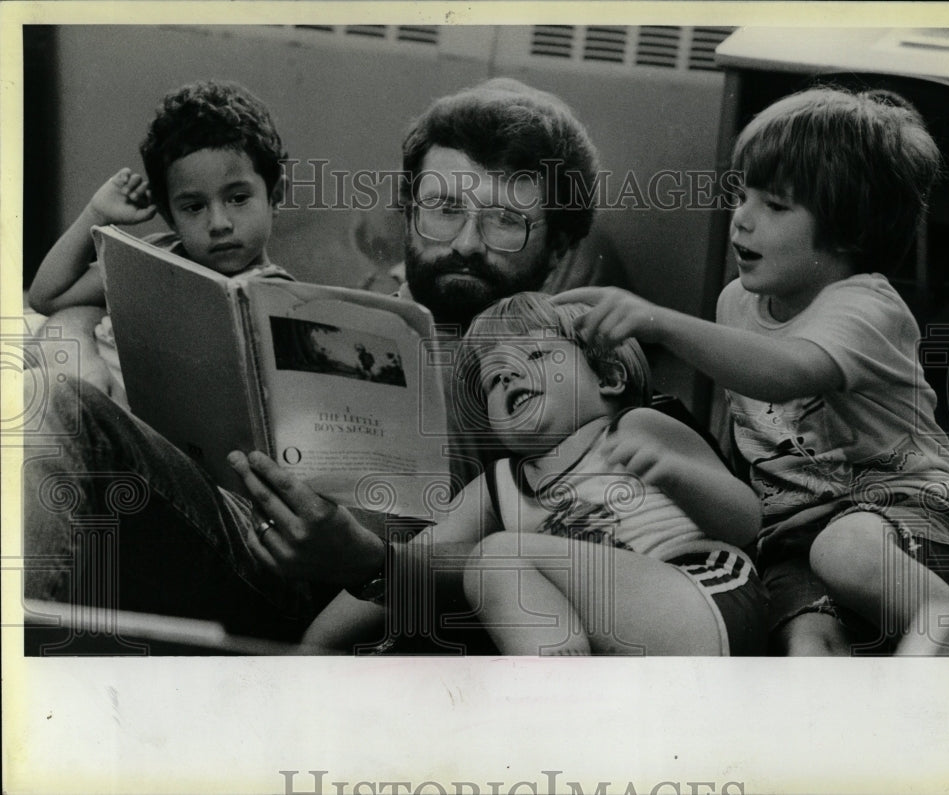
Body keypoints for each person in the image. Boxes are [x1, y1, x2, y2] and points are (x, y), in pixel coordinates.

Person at [23, 78, 607, 647]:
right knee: (45, 396)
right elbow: (65, 305)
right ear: (408, 213)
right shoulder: (341, 318)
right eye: (443, 208)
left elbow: (528, 573)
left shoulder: (561, 380)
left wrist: (366, 562)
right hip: (226, 518)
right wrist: (72, 348)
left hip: (319, 588)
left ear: (557, 250)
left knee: (55, 408)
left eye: (506, 221)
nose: (465, 242)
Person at [555, 87, 949, 656]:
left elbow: (784, 371)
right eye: (742, 195)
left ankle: (948, 620)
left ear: (848, 232)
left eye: (775, 206)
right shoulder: (736, 302)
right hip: (794, 537)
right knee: (804, 648)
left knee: (845, 551)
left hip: (908, 513)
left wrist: (660, 322)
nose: (742, 221)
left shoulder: (865, 306)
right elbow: (751, 438)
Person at [301, 293, 767, 655]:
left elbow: (747, 523)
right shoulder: (499, 485)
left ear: (607, 375)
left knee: (498, 556)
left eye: (535, 355)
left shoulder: (632, 427)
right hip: (621, 645)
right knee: (489, 563)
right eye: (493, 379)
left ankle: (545, 699)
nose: (508, 377)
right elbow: (413, 561)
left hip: (704, 600)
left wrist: (679, 473)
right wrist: (316, 642)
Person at [27, 80, 291, 406]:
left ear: (275, 197)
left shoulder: (281, 299)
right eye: (194, 207)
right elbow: (47, 296)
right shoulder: (156, 257)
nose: (219, 224)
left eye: (238, 198)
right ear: (169, 215)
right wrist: (94, 215)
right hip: (112, 416)